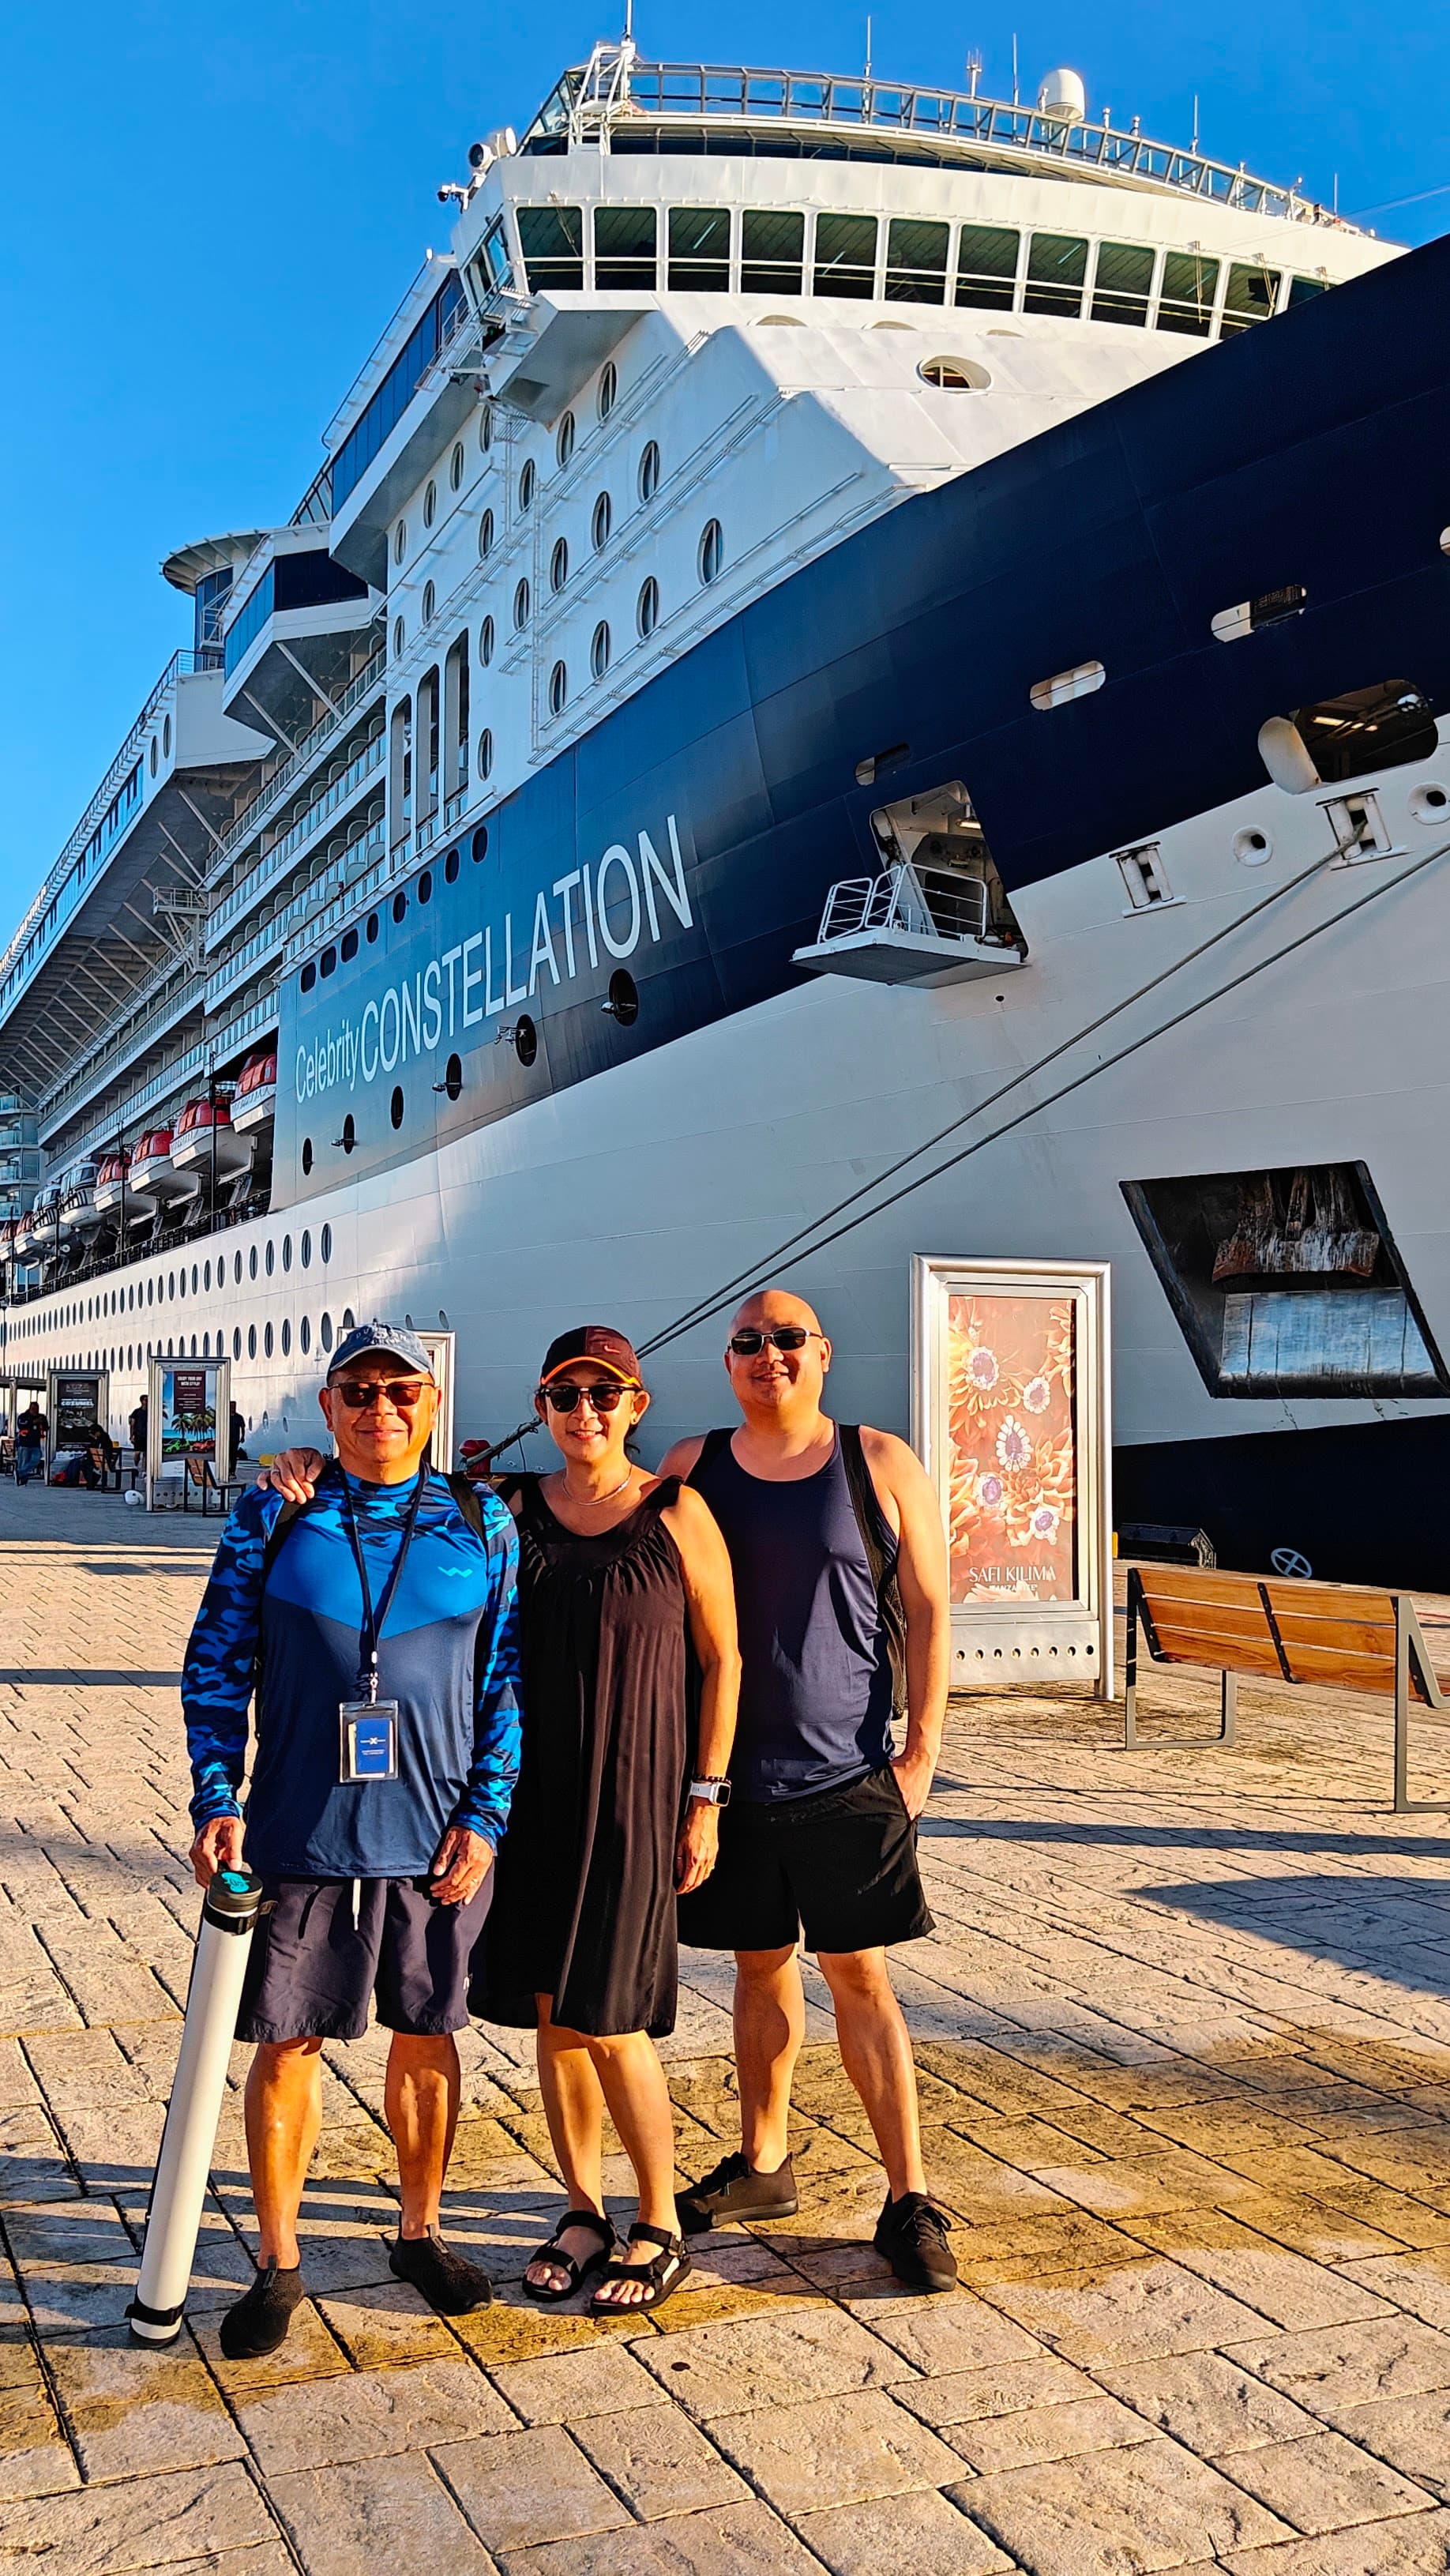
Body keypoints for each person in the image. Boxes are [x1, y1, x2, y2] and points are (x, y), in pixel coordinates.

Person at [267, 1325, 741, 2319]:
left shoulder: (676, 1511)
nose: (584, 1414)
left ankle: (657, 2218)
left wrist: (706, 1796)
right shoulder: (505, 1508)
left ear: (635, 1407)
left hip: (634, 1798)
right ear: (541, 1407)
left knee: (614, 2020)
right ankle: (581, 2209)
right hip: (520, 1801)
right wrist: (300, 1469)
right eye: (565, 1397)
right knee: (555, 2019)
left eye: (603, 1396)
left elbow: (724, 1661)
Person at [183, 1322, 520, 2360]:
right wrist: (212, 1798)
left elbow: (504, 1680)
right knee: (286, 2044)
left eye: (402, 1392)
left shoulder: (482, 1519)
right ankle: (278, 2262)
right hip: (298, 1828)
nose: (382, 1409)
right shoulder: (276, 1510)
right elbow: (215, 1664)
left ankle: (419, 2232)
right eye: (360, 1392)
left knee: (429, 2037)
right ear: (328, 1409)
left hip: (434, 1839)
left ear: (431, 1406)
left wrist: (486, 1815)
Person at [661, 1287, 958, 2294]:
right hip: (730, 1782)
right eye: (747, 1342)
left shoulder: (876, 1461)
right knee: (756, 1968)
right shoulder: (690, 1468)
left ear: (823, 1354)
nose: (768, 1355)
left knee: (861, 1976)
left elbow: (926, 1609)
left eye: (788, 1339)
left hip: (848, 1774)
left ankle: (908, 2192)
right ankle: (764, 2163)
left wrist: (922, 1752)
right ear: (729, 1361)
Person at [14, 1405, 47, 1484]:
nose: (35, 1411)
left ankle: (20, 1472)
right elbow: (21, 1425)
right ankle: (22, 1480)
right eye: (33, 1409)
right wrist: (33, 1422)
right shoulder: (23, 1416)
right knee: (23, 1462)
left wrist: (43, 1422)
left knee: (36, 1460)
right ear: (29, 1408)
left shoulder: (41, 1417)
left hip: (36, 1444)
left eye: (37, 1409)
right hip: (24, 1444)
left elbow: (46, 1427)